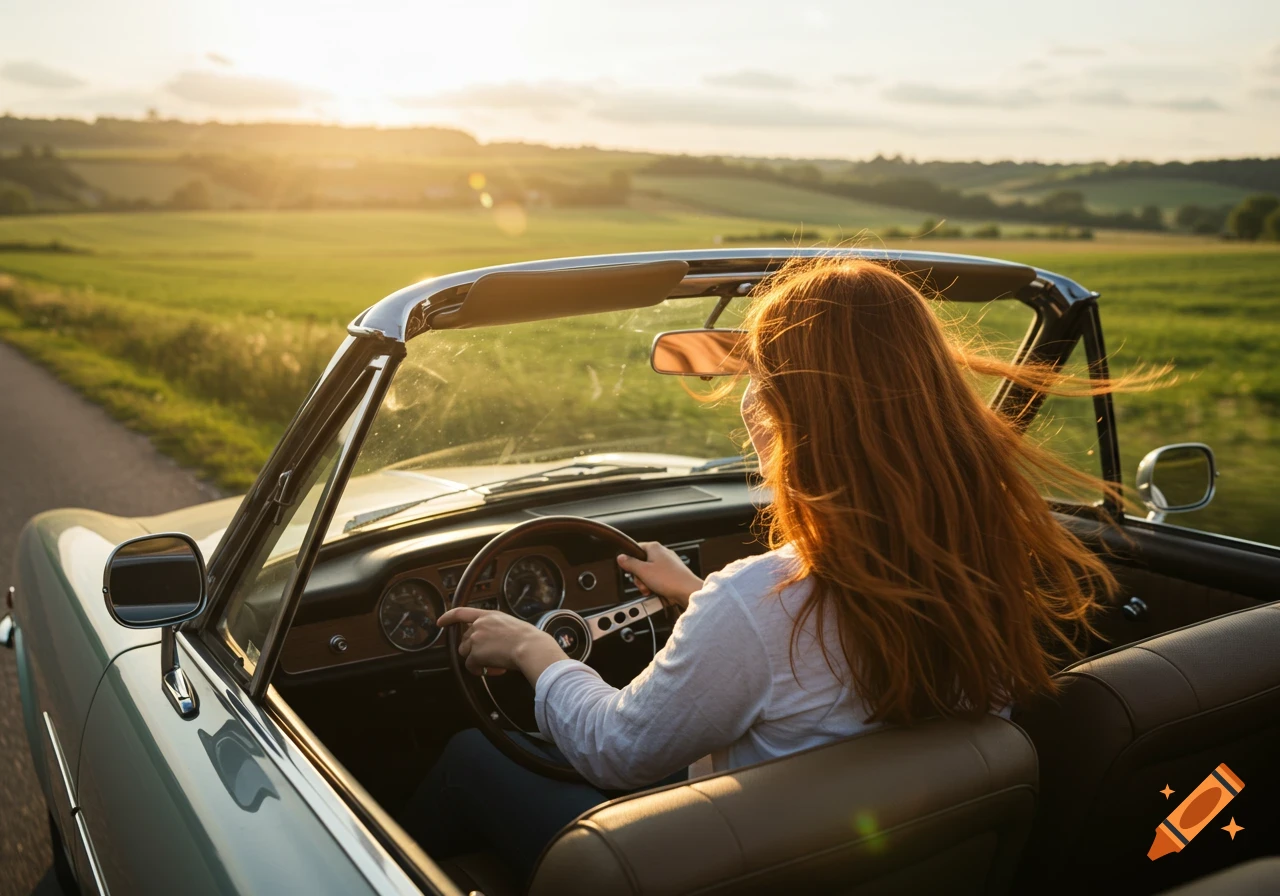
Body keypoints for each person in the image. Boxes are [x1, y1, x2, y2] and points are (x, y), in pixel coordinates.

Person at [402, 257, 1141, 882]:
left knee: (471, 759)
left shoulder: (759, 603)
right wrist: (699, 599)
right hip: (871, 864)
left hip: (734, 872)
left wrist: (535, 651)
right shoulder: (986, 561)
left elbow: (617, 751)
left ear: (796, 415)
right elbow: (817, 671)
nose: (749, 398)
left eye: (759, 375)